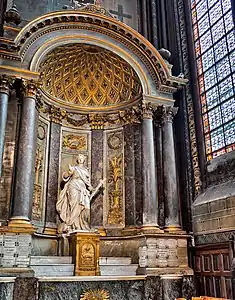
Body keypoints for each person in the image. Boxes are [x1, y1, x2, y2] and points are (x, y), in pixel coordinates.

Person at [56, 154, 104, 232]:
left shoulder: (86, 170)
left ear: (84, 160)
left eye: (82, 158)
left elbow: (87, 183)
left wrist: (92, 188)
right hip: (73, 186)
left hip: (83, 189)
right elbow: (65, 176)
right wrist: (69, 173)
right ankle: (72, 224)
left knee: (86, 207)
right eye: (79, 158)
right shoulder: (74, 168)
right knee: (74, 205)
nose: (80, 159)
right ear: (77, 160)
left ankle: (83, 225)